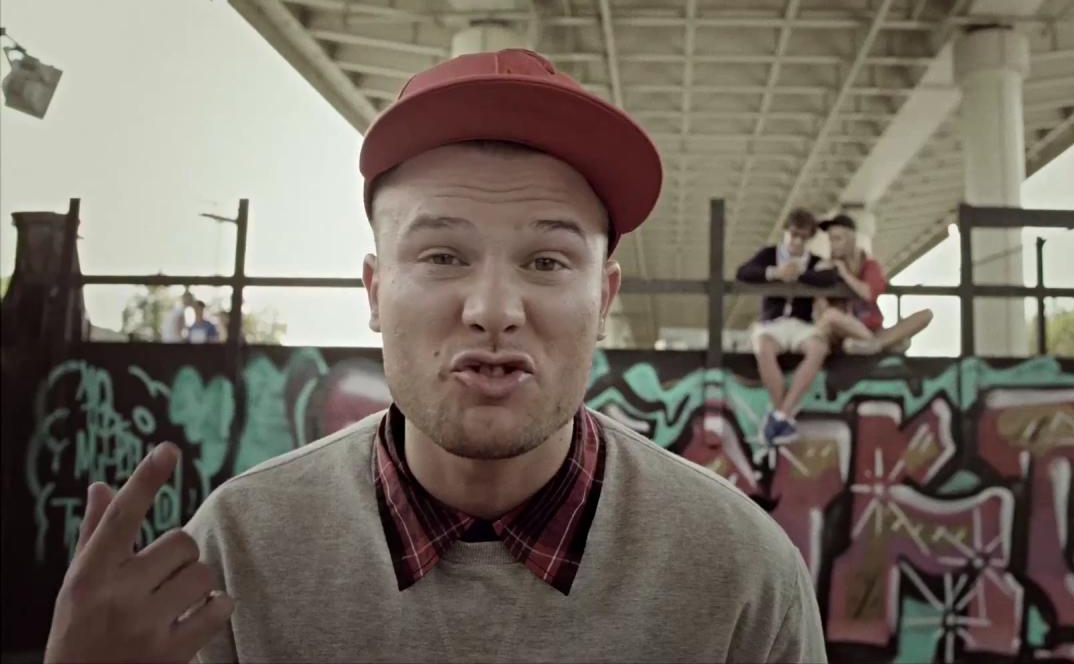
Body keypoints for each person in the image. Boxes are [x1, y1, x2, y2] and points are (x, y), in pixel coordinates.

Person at [43, 49, 826, 664]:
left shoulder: (740, 571)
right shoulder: (240, 551)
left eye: (547, 262)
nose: (493, 309)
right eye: (443, 256)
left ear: (605, 298)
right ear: (375, 291)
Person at [735, 208, 838, 447]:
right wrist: (775, 273)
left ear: (809, 238)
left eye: (803, 237)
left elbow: (830, 278)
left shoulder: (813, 261)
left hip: (801, 325)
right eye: (793, 235)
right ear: (785, 232)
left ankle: (780, 415)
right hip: (771, 323)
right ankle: (784, 415)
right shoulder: (769, 254)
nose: (797, 241)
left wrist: (801, 274)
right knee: (763, 347)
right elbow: (743, 273)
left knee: (819, 349)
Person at [814, 214, 933, 355]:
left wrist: (845, 274)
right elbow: (821, 310)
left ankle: (875, 344)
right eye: (831, 239)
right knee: (831, 315)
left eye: (837, 239)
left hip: (874, 330)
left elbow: (868, 294)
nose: (833, 245)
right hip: (847, 331)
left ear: (852, 239)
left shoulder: (870, 265)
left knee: (926, 314)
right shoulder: (827, 267)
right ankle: (885, 344)